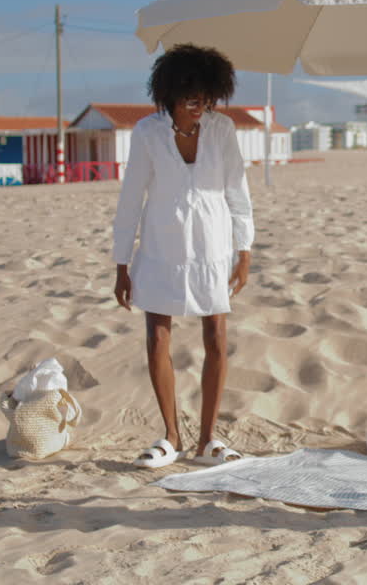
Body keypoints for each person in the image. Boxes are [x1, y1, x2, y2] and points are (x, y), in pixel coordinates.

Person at [112, 43, 255, 468]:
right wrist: (122, 263)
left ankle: (208, 440)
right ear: (170, 92)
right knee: (157, 336)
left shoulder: (222, 130)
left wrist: (243, 251)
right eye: (191, 96)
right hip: (159, 246)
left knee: (216, 337)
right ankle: (171, 437)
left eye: (207, 97)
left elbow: (238, 193)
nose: (200, 105)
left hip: (214, 245)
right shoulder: (147, 133)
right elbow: (131, 197)